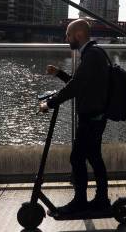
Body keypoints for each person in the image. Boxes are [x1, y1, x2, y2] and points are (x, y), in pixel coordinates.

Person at [39, 19, 111, 213]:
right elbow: (80, 83)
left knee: (77, 158)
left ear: (78, 35)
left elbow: (76, 86)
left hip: (91, 118)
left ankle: (81, 202)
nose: (66, 38)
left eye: (68, 35)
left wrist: (50, 104)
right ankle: (101, 200)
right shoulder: (93, 53)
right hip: (95, 116)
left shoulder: (92, 55)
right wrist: (59, 73)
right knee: (94, 158)